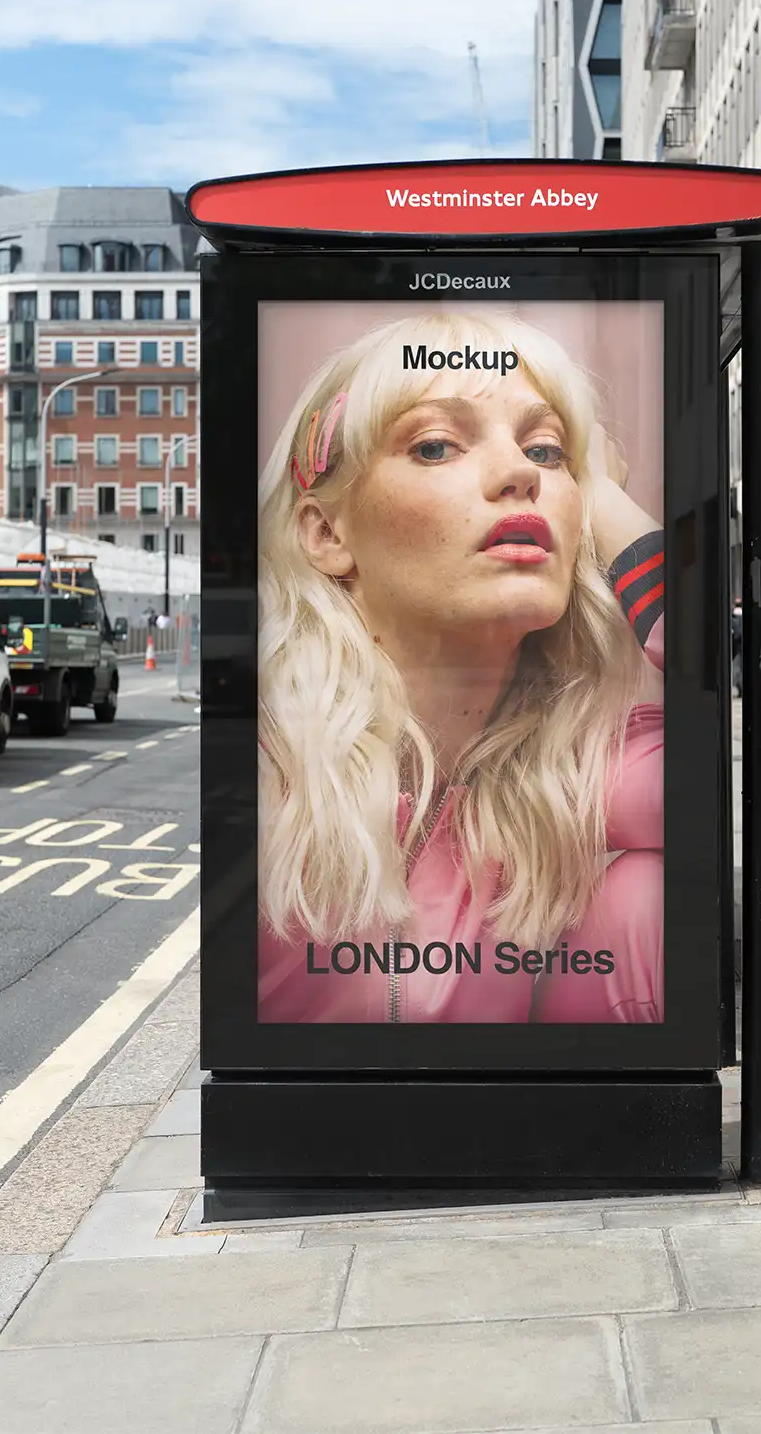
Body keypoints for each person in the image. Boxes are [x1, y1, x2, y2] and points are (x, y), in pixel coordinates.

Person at [257, 309, 666, 1025]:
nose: (517, 474)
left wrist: (598, 491)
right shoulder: (257, 761)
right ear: (326, 533)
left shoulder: (577, 759)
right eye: (437, 446)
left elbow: (740, 726)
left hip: (522, 1133)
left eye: (546, 452)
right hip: (302, 1135)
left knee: (652, 899)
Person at [730, 597, 743, 697]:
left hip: (737, 646)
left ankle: (740, 688)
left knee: (737, 669)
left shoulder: (733, 616)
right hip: (742, 646)